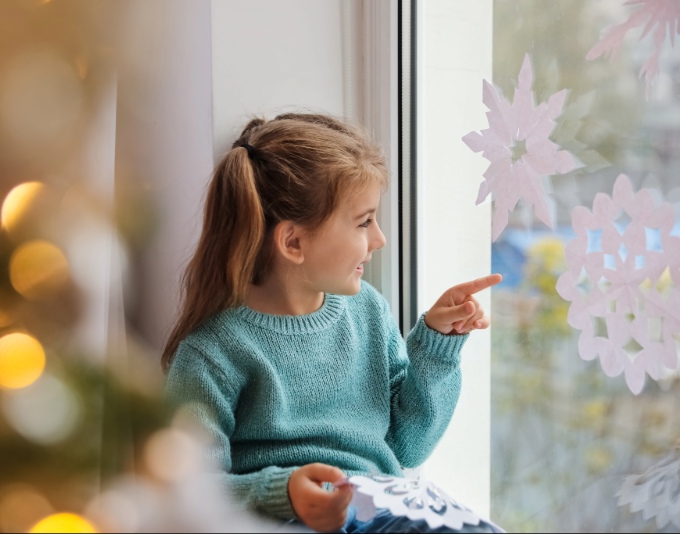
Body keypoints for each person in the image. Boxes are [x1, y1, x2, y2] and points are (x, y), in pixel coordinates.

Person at [162, 112, 503, 533]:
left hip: (380, 505)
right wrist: (283, 491)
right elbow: (188, 490)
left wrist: (436, 346)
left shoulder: (368, 313)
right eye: (364, 222)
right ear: (293, 242)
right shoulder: (213, 352)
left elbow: (407, 445)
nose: (379, 239)